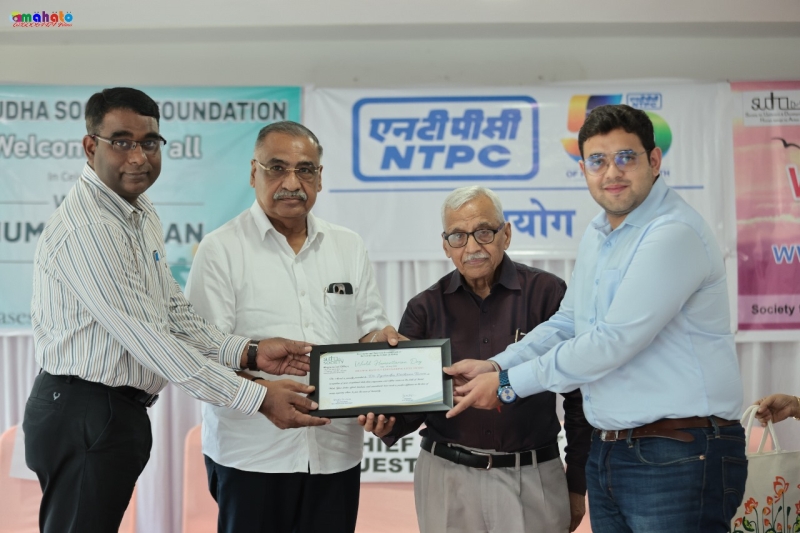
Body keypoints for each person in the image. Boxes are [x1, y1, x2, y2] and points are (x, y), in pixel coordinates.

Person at [23, 88, 327, 533]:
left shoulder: (139, 211)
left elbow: (172, 312)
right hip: (82, 410)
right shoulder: (89, 228)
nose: (138, 157)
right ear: (91, 147)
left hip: (115, 412)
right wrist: (258, 397)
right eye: (121, 142)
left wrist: (249, 352)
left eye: (149, 142)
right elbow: (151, 341)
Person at [445, 105, 748, 532]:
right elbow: (568, 323)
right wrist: (497, 364)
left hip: (679, 450)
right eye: (598, 161)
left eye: (626, 157)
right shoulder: (599, 232)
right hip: (613, 449)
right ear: (583, 169)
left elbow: (612, 341)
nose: (612, 172)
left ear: (654, 160)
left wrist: (508, 385)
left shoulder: (671, 232)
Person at [184, 121, 401, 533]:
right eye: (277, 168)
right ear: (254, 173)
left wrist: (388, 351)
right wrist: (260, 395)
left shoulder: (348, 245)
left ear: (319, 177)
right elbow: (200, 357)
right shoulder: (220, 249)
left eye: (304, 170)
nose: (291, 183)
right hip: (252, 455)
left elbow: (369, 330)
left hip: (335, 453)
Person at [359, 186, 593, 533]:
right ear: (445, 245)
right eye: (457, 236)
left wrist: (577, 480)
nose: (471, 247)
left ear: (506, 234)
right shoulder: (425, 307)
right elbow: (415, 402)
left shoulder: (548, 293)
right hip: (446, 479)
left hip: (532, 477)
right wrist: (387, 422)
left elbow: (578, 395)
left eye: (483, 232)